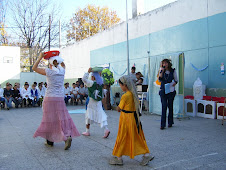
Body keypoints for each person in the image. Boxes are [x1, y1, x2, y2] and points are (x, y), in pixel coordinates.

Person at [33, 52, 80, 150]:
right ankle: (66, 137)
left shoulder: (49, 72)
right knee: (61, 119)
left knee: (49, 119)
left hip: (49, 98)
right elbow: (63, 65)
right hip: (59, 98)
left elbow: (34, 68)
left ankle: (50, 141)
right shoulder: (62, 71)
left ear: (50, 64)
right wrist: (58, 58)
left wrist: (41, 57)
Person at [109, 75, 154, 166]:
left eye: (120, 85)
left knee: (122, 137)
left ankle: (119, 158)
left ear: (125, 85)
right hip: (133, 118)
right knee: (137, 137)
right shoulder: (133, 93)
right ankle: (146, 154)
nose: (120, 87)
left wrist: (116, 107)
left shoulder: (125, 96)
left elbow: (119, 108)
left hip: (126, 118)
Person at [82, 67, 110, 138]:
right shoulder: (100, 83)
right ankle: (106, 129)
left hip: (91, 102)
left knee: (88, 116)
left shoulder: (91, 83)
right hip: (99, 102)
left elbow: (84, 79)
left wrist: (87, 72)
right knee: (101, 115)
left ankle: (87, 131)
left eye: (91, 76)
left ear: (93, 77)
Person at [158, 59, 178, 130]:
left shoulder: (173, 71)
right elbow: (159, 79)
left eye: (166, 63)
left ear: (168, 63)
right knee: (164, 106)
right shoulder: (161, 70)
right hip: (163, 91)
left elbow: (176, 80)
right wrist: (161, 70)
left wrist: (173, 84)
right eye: (163, 63)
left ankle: (170, 122)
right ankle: (162, 124)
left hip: (170, 91)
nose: (165, 64)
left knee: (170, 106)